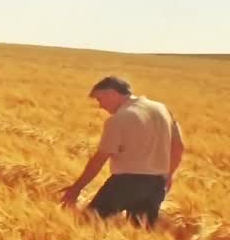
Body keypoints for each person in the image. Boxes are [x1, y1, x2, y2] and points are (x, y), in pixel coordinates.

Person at [59, 76, 185, 228]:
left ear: (111, 93)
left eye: (100, 99)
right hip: (157, 184)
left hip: (126, 183)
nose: (100, 106)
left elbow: (99, 159)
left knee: (87, 224)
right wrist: (169, 175)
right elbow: (179, 147)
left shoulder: (118, 119)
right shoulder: (162, 109)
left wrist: (76, 188)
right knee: (141, 235)